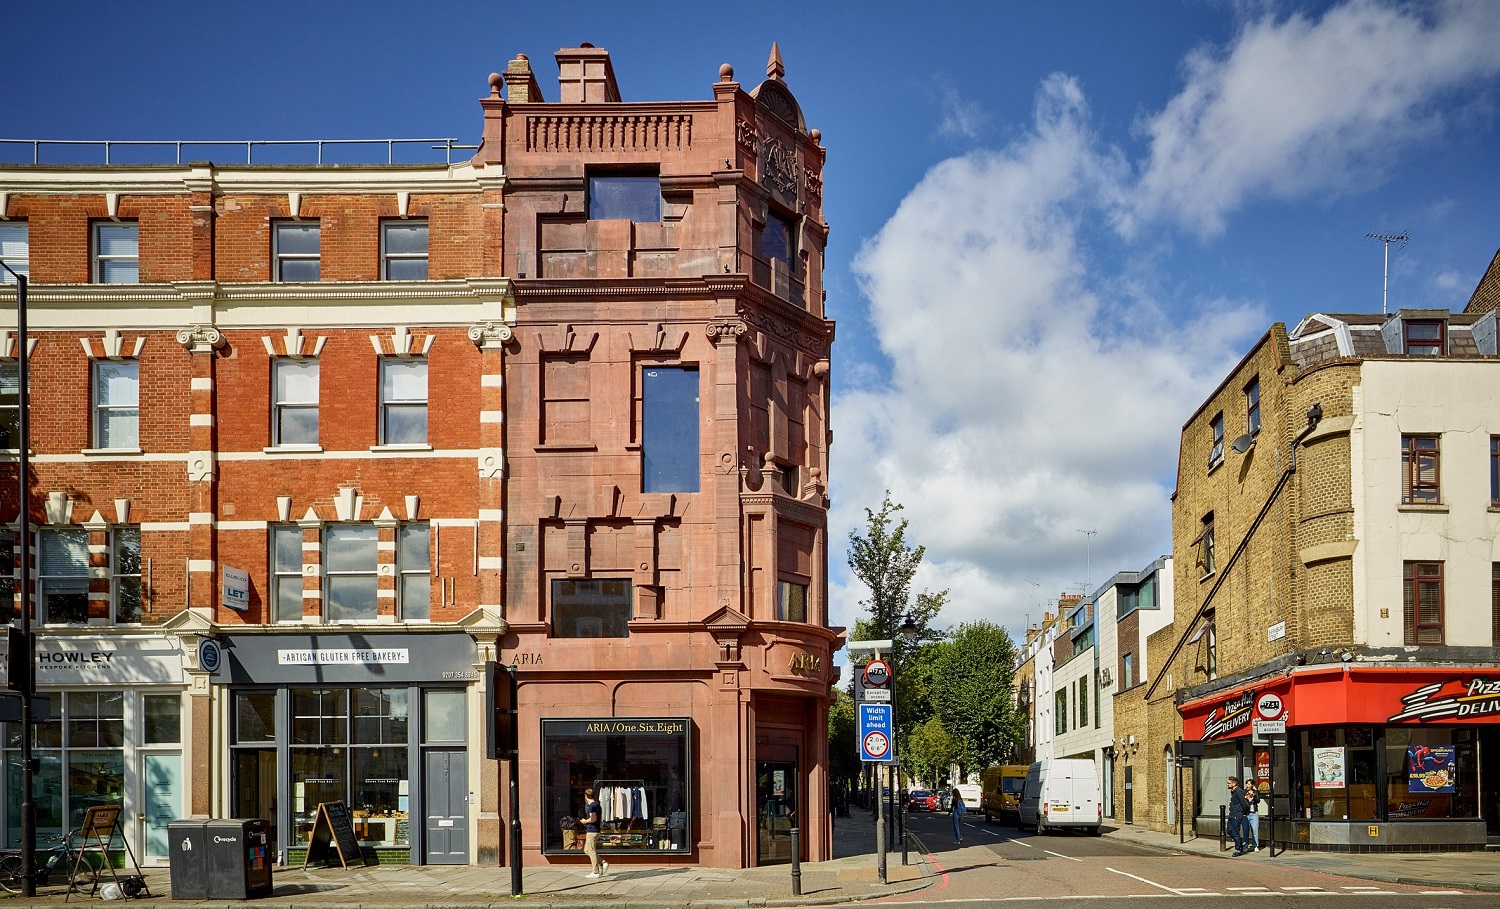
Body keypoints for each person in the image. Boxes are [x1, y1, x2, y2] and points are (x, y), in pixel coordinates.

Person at [582, 788, 607, 878]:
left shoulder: (591, 806)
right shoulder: (597, 805)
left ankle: (595, 872)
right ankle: (602, 862)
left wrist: (584, 821)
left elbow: (593, 819)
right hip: (595, 830)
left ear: (586, 796)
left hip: (592, 831)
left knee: (591, 851)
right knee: (586, 850)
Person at [1226, 776, 1249, 856]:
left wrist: (1243, 813)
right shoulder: (1233, 791)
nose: (1227, 784)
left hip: (1237, 815)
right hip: (1232, 814)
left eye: (1229, 783)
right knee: (1229, 831)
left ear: (1234, 783)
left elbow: (1245, 803)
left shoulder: (1239, 791)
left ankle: (1238, 850)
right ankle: (1241, 843)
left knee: (1235, 833)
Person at [1243, 780, 1262, 852]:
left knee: (1255, 830)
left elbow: (1258, 801)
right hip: (1246, 814)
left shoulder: (1255, 792)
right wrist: (1245, 797)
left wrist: (1254, 796)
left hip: (1254, 813)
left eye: (1249, 784)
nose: (1247, 785)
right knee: (1245, 830)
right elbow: (1242, 801)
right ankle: (1245, 845)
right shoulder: (1244, 792)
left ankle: (1255, 845)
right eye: (1247, 784)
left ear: (1252, 785)